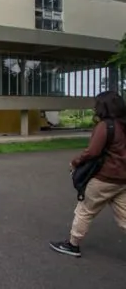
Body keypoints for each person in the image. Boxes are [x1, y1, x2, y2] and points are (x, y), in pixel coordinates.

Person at [50, 91, 126, 257]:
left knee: (84, 211)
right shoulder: (123, 125)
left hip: (104, 178)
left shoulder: (105, 126)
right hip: (122, 180)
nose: (94, 107)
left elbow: (92, 152)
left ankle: (72, 245)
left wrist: (75, 162)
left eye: (97, 104)